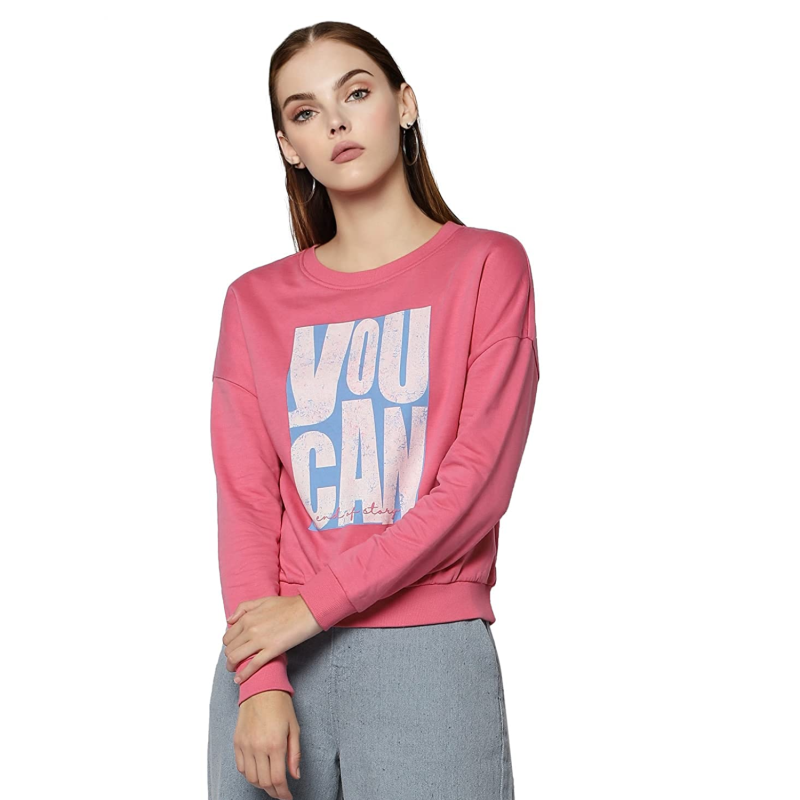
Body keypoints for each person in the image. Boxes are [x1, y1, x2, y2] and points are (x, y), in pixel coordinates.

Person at [207, 20, 540, 800]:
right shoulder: (254, 302)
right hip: (275, 674)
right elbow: (246, 501)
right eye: (304, 111)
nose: (335, 122)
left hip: (426, 658)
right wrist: (260, 678)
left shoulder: (487, 266)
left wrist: (310, 609)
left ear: (405, 103)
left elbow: (474, 488)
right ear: (290, 146)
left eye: (355, 93)